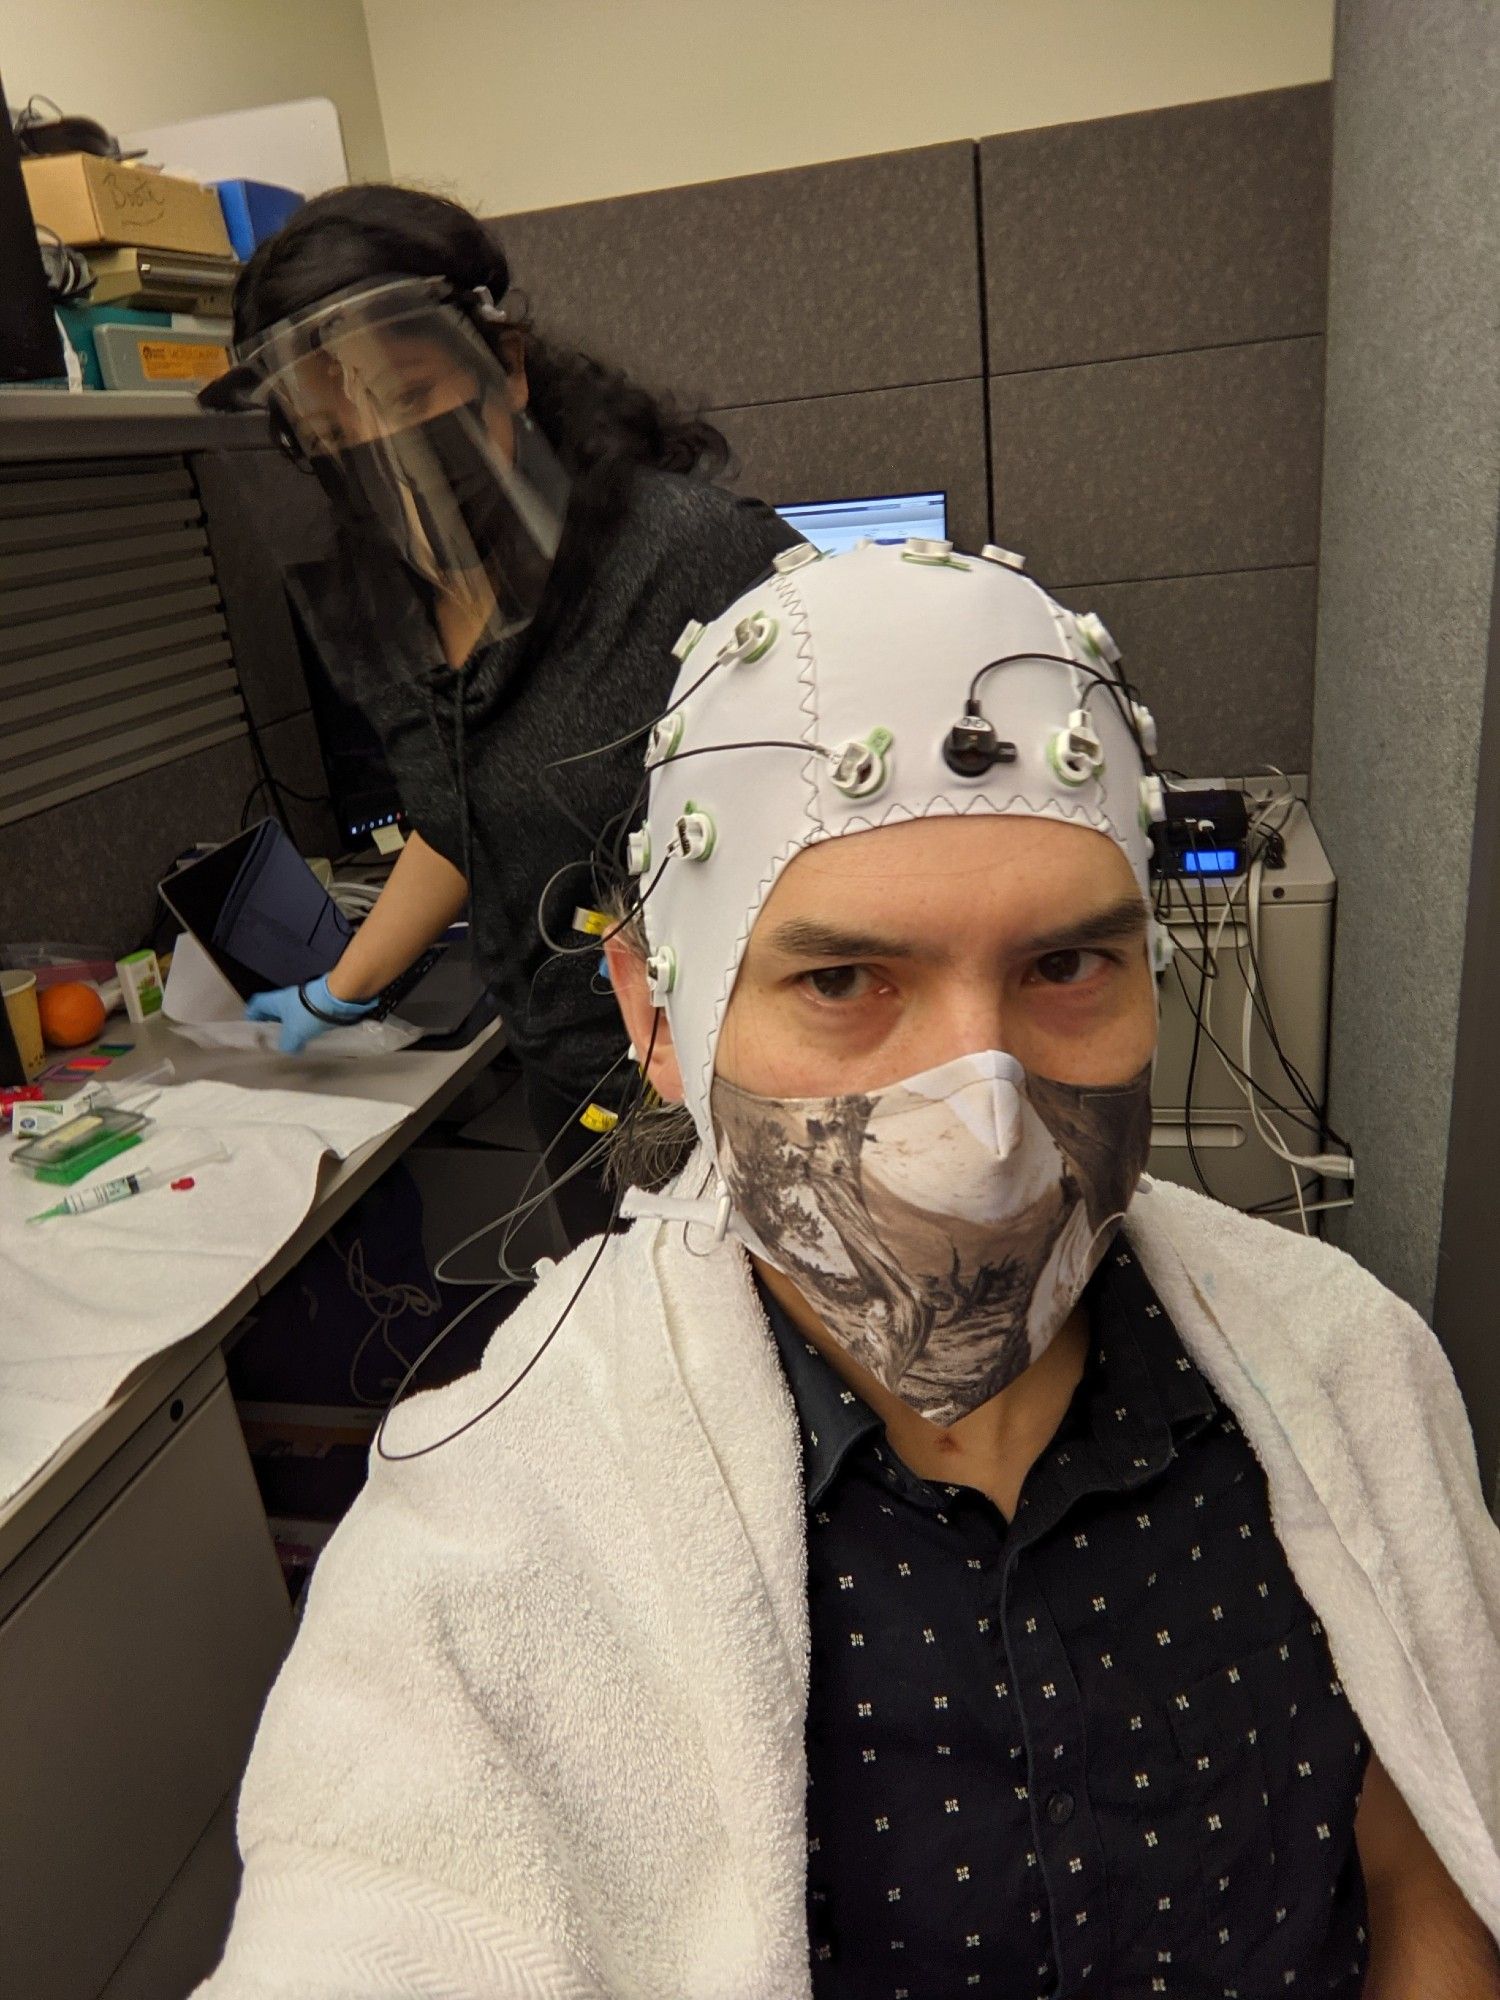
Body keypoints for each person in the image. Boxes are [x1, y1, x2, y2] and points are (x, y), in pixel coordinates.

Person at [193, 545, 1500, 1998]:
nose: (985, 1123)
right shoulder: (489, 1537)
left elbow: (1435, 1814)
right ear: (659, 1018)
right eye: (843, 982)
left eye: (1066, 967)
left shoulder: (1339, 1368)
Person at [205, 186, 800, 1241]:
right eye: (331, 428)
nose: (381, 448)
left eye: (407, 394)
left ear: (506, 364)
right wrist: (341, 990)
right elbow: (468, 810)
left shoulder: (696, 562)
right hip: (575, 1099)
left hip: (741, 1090)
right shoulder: (389, 607)